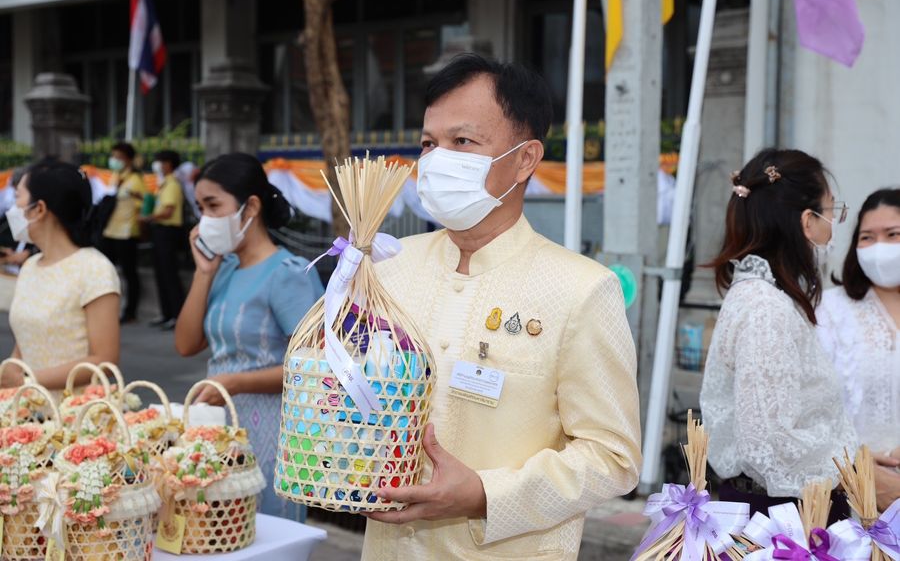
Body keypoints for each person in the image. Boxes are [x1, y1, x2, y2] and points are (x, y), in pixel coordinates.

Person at [361, 54, 641, 560]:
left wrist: (485, 495)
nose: (436, 159)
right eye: (429, 143)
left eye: (462, 142)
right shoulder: (390, 268)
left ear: (525, 157)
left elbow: (612, 456)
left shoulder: (581, 289)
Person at [700, 149, 900, 519]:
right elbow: (768, 444)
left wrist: (849, 452)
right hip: (781, 521)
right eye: (832, 211)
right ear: (808, 222)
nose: (832, 229)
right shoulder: (765, 309)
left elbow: (794, 419)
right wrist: (862, 475)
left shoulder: (770, 300)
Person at [174, 153, 323, 522]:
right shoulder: (222, 269)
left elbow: (316, 368)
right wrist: (204, 273)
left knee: (262, 532)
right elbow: (186, 344)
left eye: (213, 206)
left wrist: (237, 382)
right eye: (200, 208)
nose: (205, 219)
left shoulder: (288, 274)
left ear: (250, 206)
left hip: (270, 433)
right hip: (218, 428)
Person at [2, 161, 120, 390]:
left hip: (77, 414)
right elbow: (26, 338)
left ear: (39, 209)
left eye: (18, 197)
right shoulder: (30, 266)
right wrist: (12, 374)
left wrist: (28, 382)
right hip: (28, 411)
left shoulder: (94, 268)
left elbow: (104, 359)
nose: (12, 208)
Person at [818, 188, 900, 454]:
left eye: (893, 234)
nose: (879, 248)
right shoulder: (830, 310)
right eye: (867, 237)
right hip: (852, 484)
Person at [101, 142, 146, 323]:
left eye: (119, 157)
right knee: (107, 272)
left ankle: (130, 311)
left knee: (129, 272)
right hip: (110, 230)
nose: (115, 160)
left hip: (127, 232)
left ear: (128, 159)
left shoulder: (136, 180)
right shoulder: (115, 177)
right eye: (113, 156)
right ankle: (107, 309)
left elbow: (143, 204)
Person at [142, 150, 185, 330]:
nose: (157, 164)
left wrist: (149, 217)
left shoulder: (172, 184)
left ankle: (177, 315)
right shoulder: (164, 184)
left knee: (169, 274)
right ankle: (166, 313)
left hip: (168, 231)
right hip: (160, 231)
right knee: (161, 273)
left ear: (169, 164)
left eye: (160, 161)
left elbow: (168, 211)